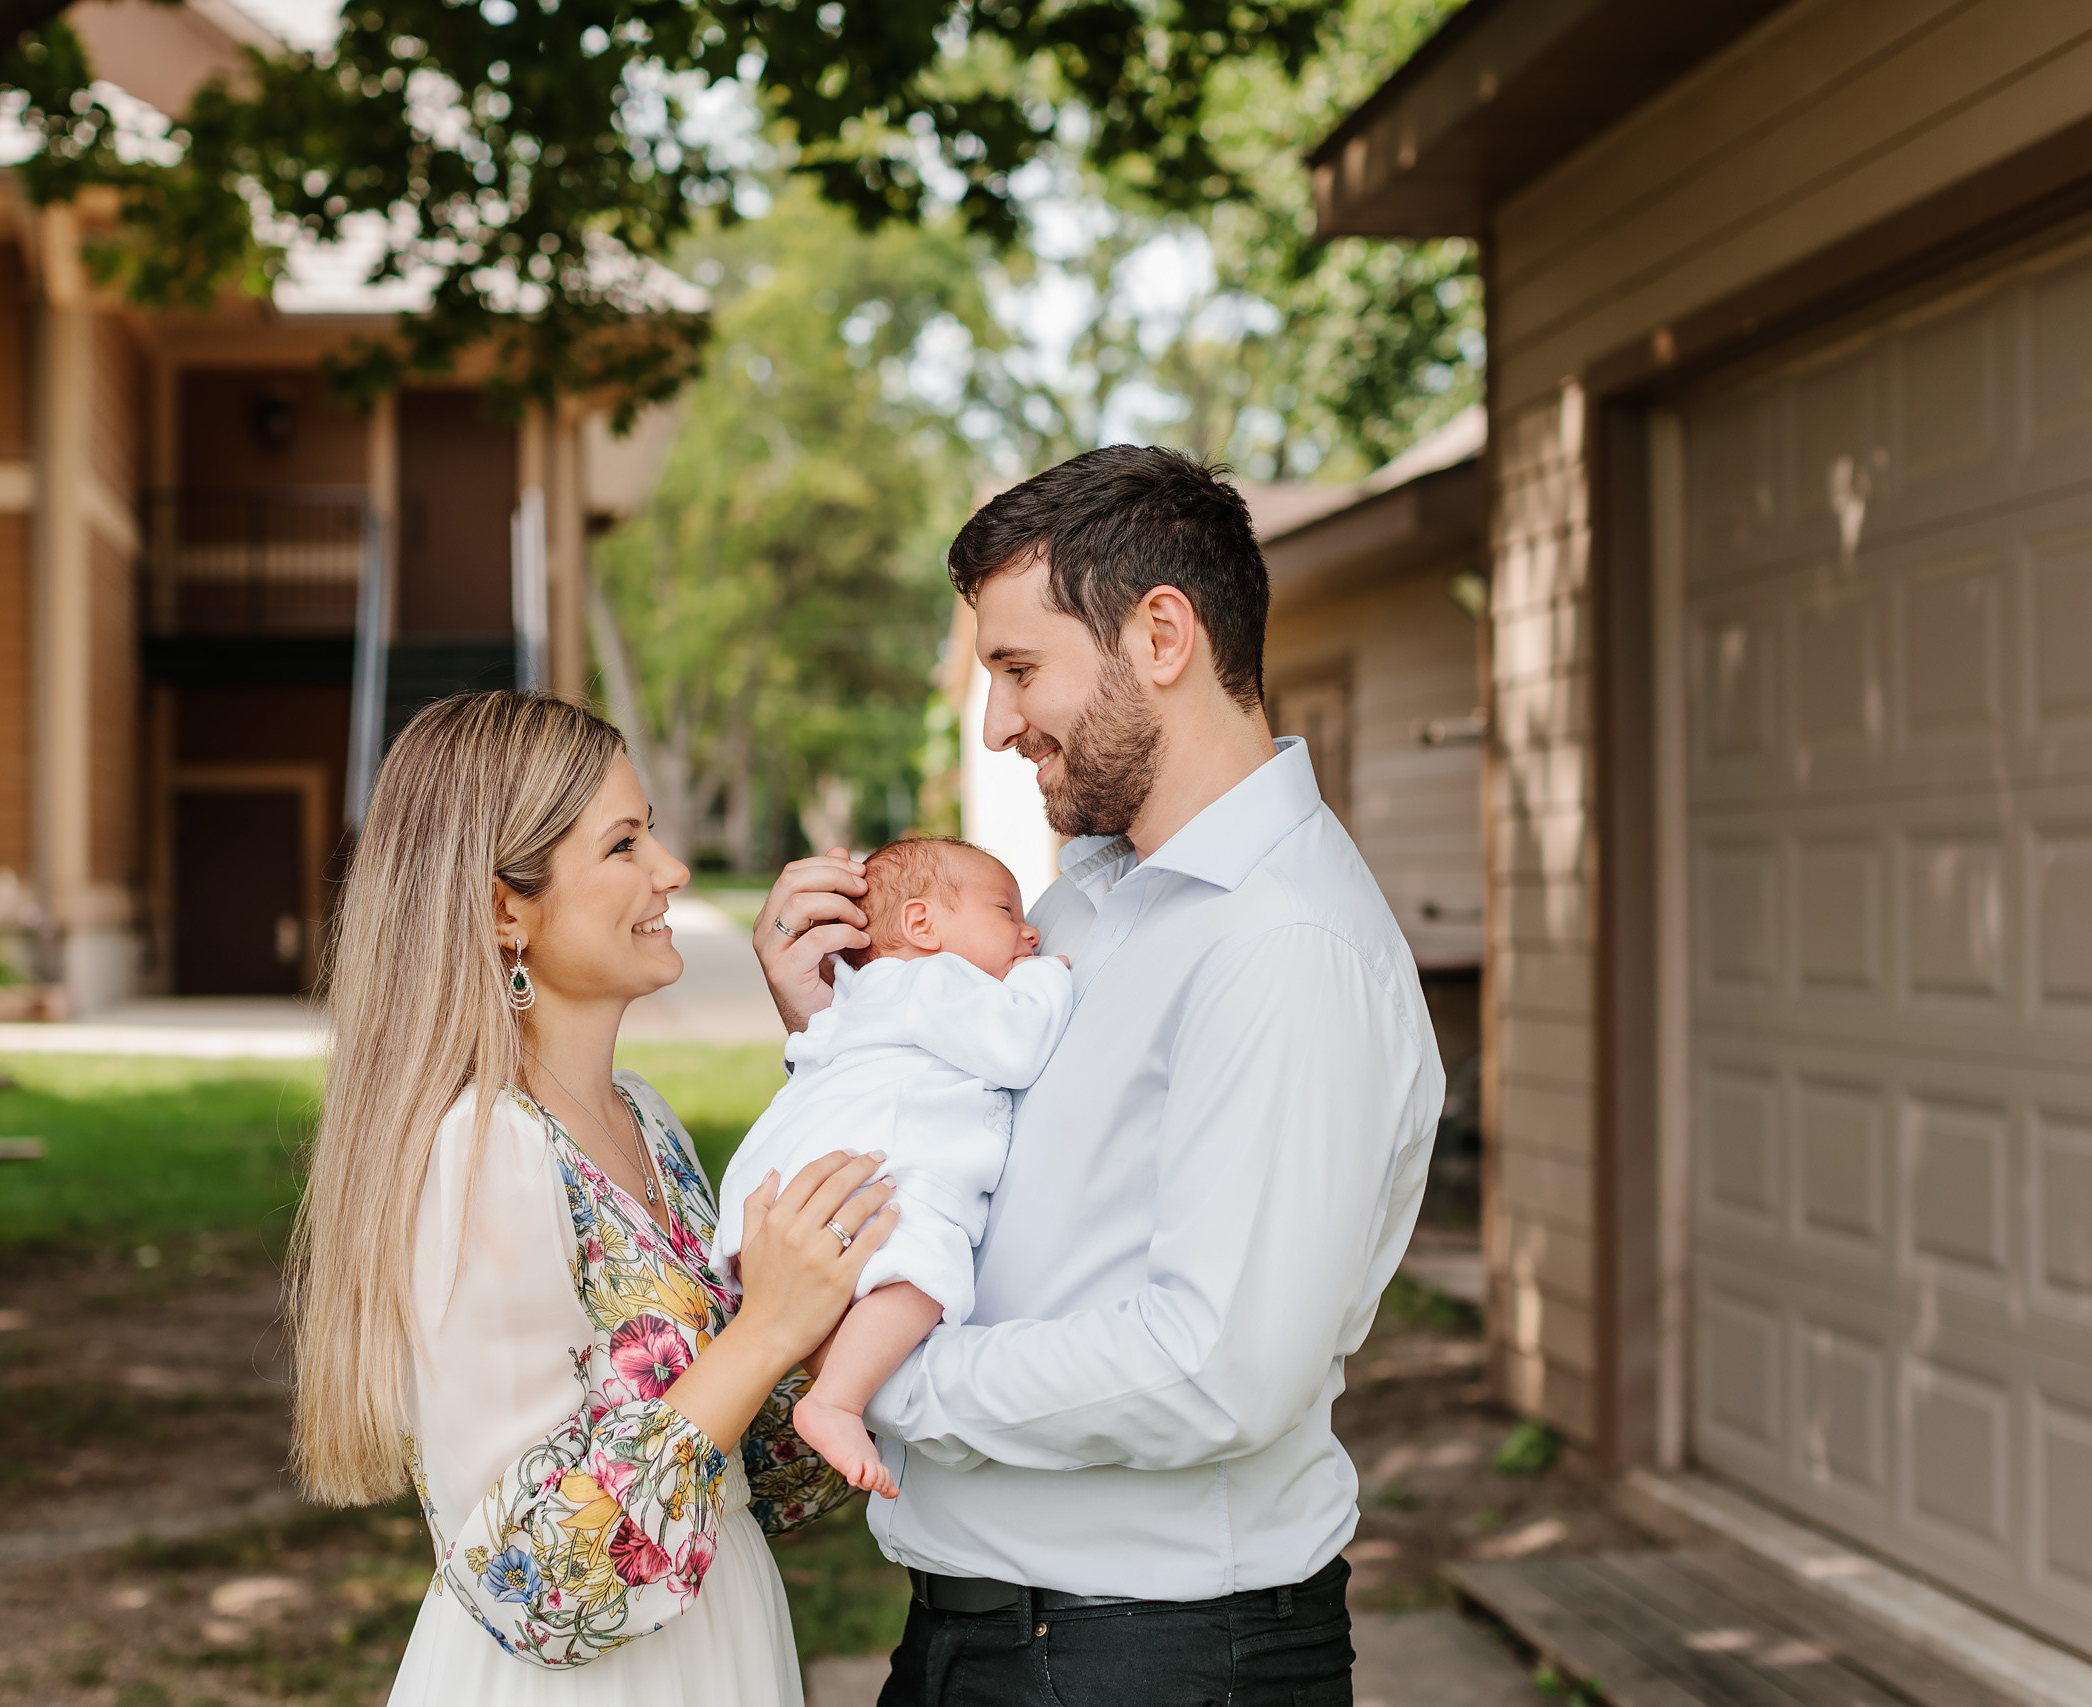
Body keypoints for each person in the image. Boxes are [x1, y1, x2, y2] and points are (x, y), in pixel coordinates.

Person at [752, 447, 1445, 1705]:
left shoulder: (1282, 944)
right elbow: (1000, 1185)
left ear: (1162, 636)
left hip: (1155, 1659)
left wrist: (876, 1374)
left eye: (1020, 669)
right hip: (987, 1639)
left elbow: (1213, 1367)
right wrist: (851, 1033)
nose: (994, 724)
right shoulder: (1079, 912)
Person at [287, 690, 899, 1706]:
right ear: (503, 909)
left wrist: (835, 1044)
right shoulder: (485, 1151)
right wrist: (764, 1333)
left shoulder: (644, 1120)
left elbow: (760, 1469)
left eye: (652, 831)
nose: (673, 870)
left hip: (719, 1643)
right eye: (624, 845)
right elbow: (534, 1577)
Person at [711, 836, 1073, 1499]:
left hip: (787, 1180)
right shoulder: (932, 980)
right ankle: (837, 1401)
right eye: (1004, 911)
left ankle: (836, 1378)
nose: (1030, 932)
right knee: (925, 1274)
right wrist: (1045, 977)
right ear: (921, 925)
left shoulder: (864, 993)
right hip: (879, 1174)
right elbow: (1016, 1044)